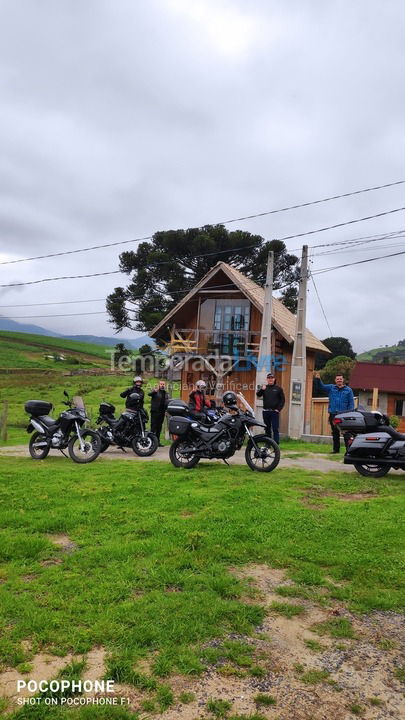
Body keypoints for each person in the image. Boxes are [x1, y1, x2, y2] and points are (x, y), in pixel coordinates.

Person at [314, 372, 354, 453]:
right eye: (337, 379)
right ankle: (336, 450)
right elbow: (322, 387)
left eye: (340, 379)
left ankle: (349, 450)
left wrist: (350, 413)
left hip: (344, 415)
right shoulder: (331, 388)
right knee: (335, 433)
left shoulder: (348, 390)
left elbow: (351, 403)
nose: (339, 380)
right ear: (335, 380)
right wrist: (318, 379)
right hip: (333, 415)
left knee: (346, 434)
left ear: (343, 380)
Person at [256, 373, 285, 444]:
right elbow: (258, 395)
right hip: (266, 412)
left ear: (274, 379)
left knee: (275, 428)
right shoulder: (264, 388)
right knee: (267, 428)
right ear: (267, 379)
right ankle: (268, 443)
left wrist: (278, 409)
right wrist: (262, 390)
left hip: (274, 412)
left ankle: (276, 444)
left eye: (272, 378)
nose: (270, 379)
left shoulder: (278, 389)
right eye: (269, 378)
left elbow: (282, 400)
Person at [148, 380, 170, 446]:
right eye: (161, 384)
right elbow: (149, 394)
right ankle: (151, 441)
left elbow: (167, 403)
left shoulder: (166, 393)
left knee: (159, 427)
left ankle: (157, 442)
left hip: (162, 412)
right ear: (158, 385)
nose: (162, 385)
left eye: (163, 384)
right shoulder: (155, 391)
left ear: (165, 385)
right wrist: (154, 391)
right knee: (153, 427)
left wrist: (166, 411)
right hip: (155, 412)